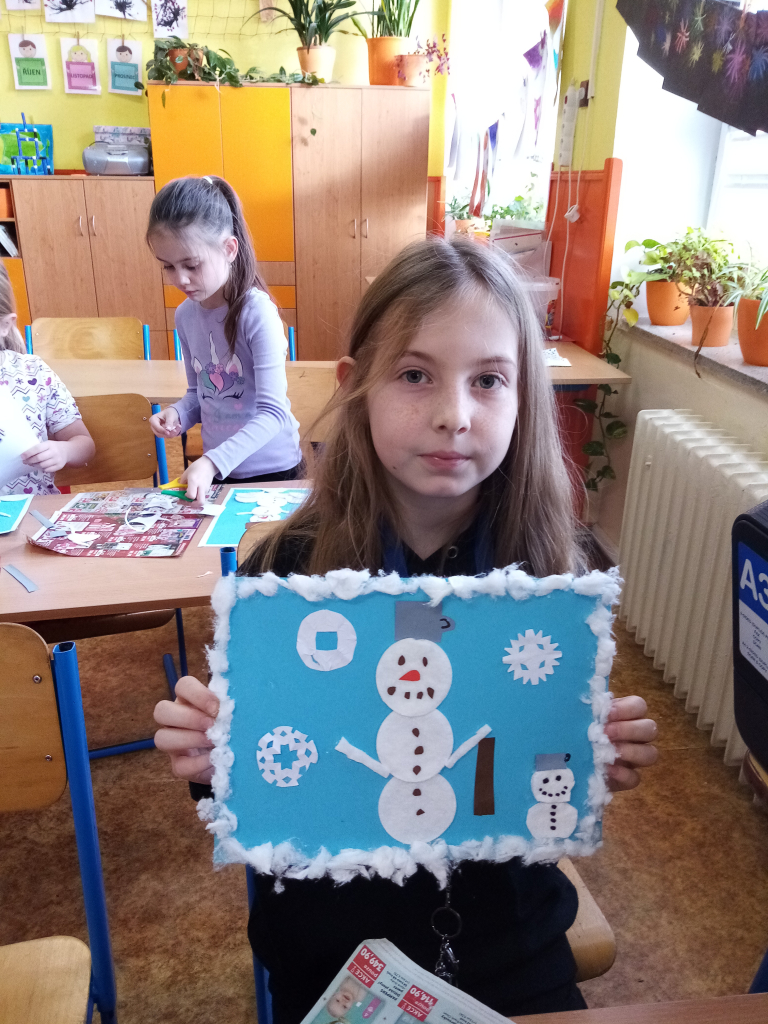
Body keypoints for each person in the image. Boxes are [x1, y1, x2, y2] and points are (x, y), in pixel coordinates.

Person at [153, 238, 658, 1022]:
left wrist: (596, 748)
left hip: (510, 947)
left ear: (524, 398)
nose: (454, 415)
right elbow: (254, 771)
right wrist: (209, 752)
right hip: (334, 959)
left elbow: (541, 771)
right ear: (355, 387)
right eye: (415, 375)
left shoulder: (546, 574)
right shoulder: (285, 575)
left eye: (488, 380)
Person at [146, 175, 302, 501]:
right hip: (220, 472)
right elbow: (200, 394)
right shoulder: (185, 315)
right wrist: (178, 413)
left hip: (273, 473)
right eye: (168, 267)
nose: (180, 279)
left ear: (229, 249)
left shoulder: (257, 313)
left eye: (191, 265)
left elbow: (273, 414)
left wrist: (212, 462)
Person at [0, 264, 94, 495]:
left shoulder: (33, 372)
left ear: (5, 325)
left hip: (34, 507)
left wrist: (63, 451)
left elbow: (84, 444)